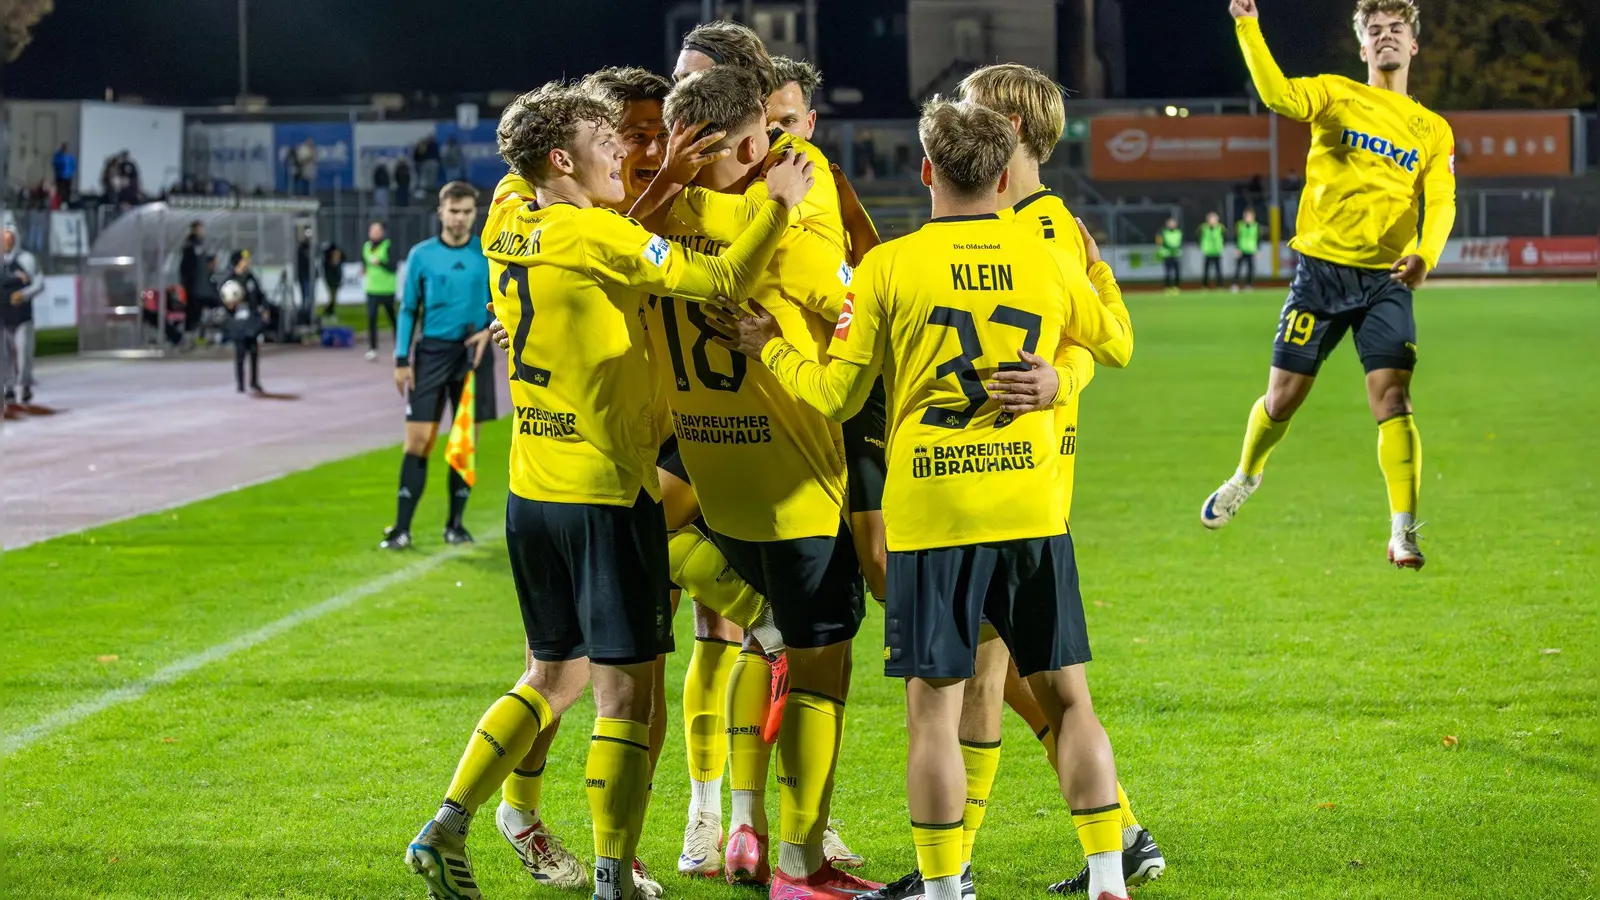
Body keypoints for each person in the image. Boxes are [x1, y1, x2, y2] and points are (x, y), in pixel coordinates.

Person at [709, 98, 1136, 900]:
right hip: (1031, 510)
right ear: (1007, 176)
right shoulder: (1048, 258)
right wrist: (1063, 365)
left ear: (927, 171)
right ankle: (1109, 877)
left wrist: (773, 347)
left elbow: (836, 398)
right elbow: (1113, 341)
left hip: (931, 518)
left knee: (933, 714)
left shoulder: (888, 267)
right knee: (1070, 700)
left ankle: (944, 890)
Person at [401, 79, 812, 900]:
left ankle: (447, 823)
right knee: (623, 695)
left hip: (530, 487)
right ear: (563, 158)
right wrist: (778, 204)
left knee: (551, 677)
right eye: (606, 141)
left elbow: (548, 184)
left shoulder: (505, 214)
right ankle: (612, 875)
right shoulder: (596, 238)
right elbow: (726, 277)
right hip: (606, 490)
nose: (623, 153)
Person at [627, 63, 879, 898]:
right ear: (749, 141)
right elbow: (859, 327)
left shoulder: (658, 225)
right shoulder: (793, 228)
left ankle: (742, 821)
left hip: (712, 477)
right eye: (768, 135)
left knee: (754, 635)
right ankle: (802, 867)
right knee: (820, 672)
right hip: (794, 483)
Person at [950, 62, 1164, 899]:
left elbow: (1109, 337)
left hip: (1015, 484)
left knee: (985, 678)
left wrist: (1058, 384)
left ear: (1004, 125)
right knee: (1004, 678)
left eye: (969, 112)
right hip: (1001, 476)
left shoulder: (1041, 229)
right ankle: (1119, 837)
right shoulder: (1025, 220)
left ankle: (954, 871)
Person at [1202, 0, 1455, 571]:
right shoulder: (1337, 94)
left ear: (1413, 45)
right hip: (1320, 273)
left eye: (1396, 29)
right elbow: (1278, 96)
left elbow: (1441, 200)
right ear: (1363, 46)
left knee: (1394, 398)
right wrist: (1248, 26)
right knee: (1282, 400)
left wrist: (1425, 254)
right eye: (1375, 30)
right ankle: (1246, 475)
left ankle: (1402, 530)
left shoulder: (1433, 130)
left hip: (1386, 280)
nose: (1386, 37)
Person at [380, 183, 496, 550]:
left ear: (474, 213)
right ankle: (401, 528)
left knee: (465, 442)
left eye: (466, 211)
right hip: (430, 354)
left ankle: (455, 526)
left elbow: (507, 302)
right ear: (441, 211)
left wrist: (488, 332)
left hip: (473, 356)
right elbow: (409, 309)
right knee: (418, 441)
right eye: (453, 211)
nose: (459, 218)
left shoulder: (488, 253)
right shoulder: (421, 256)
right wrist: (401, 359)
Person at [2, 227, 44, 406]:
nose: (5, 243)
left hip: (22, 316)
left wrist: (24, 295)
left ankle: (25, 384)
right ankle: (9, 388)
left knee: (24, 354)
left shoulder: (27, 259)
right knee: (3, 356)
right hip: (2, 315)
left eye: (8, 238)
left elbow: (39, 284)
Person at [219, 278, 263, 394]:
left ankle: (254, 382)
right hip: (238, 330)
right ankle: (240, 384)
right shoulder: (231, 279)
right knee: (240, 357)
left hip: (250, 328)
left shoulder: (250, 279)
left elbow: (259, 299)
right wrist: (230, 307)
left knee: (254, 354)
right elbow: (226, 309)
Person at [361, 221, 397, 360]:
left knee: (393, 319)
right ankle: (372, 348)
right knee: (371, 319)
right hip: (372, 289)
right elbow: (364, 261)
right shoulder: (366, 247)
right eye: (372, 230)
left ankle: (399, 347)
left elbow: (393, 267)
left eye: (377, 231)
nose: (373, 233)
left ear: (382, 232)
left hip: (387, 289)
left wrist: (380, 263)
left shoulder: (388, 246)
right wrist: (363, 268)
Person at [179, 220, 208, 333]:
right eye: (199, 229)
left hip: (199, 282)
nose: (201, 232)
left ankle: (196, 331)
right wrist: (185, 280)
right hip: (192, 283)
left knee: (198, 307)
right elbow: (186, 264)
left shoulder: (200, 244)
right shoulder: (190, 245)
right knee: (192, 307)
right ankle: (189, 331)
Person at [1233, 207, 1260, 291]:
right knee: (1238, 268)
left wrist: (1257, 250)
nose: (1248, 218)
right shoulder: (1240, 225)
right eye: (1247, 216)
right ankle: (1235, 285)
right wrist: (1237, 248)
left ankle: (1248, 285)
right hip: (1241, 249)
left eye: (1250, 216)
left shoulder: (1256, 226)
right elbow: (1236, 237)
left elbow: (1258, 238)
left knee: (1250, 269)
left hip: (1251, 250)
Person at [1199, 211, 1226, 288]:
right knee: (1206, 270)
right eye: (1211, 219)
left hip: (1217, 251)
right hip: (1208, 251)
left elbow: (1224, 237)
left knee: (1218, 270)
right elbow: (1199, 237)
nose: (1212, 221)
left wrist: (1222, 246)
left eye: (1214, 219)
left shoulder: (1221, 228)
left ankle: (1219, 285)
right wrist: (1201, 246)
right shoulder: (1203, 227)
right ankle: (1205, 285)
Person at [295, 227, 315, 327]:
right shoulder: (302, 249)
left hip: (310, 277)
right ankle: (305, 318)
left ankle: (310, 317)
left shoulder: (313, 248)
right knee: (306, 299)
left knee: (310, 299)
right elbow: (302, 264)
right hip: (304, 277)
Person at [1156, 218, 1182, 293]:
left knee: (1177, 272)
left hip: (1176, 254)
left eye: (1173, 223)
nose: (1172, 225)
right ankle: (1167, 287)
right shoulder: (1163, 232)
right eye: (1170, 223)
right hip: (1167, 254)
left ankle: (1176, 287)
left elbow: (1180, 242)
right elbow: (1161, 242)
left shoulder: (1178, 232)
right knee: (1168, 272)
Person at [321, 241, 345, 319]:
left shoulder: (331, 262)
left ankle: (329, 311)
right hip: (332, 280)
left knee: (333, 297)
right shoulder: (328, 262)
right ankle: (329, 311)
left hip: (334, 280)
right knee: (333, 297)